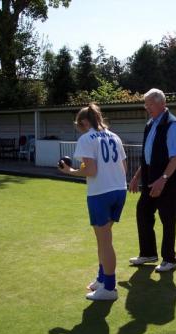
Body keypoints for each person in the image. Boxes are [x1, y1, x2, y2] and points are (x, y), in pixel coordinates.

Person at [58, 103, 127, 301]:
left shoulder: (86, 138)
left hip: (100, 193)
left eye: (80, 125)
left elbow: (91, 170)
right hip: (118, 190)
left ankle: (110, 288)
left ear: (85, 122)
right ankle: (102, 278)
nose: (80, 129)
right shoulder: (114, 136)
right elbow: (123, 165)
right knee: (103, 239)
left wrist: (69, 171)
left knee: (104, 241)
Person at [128, 88, 176, 273]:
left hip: (168, 183)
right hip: (151, 180)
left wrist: (163, 179)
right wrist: (137, 177)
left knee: (168, 220)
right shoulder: (150, 123)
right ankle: (148, 253)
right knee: (143, 211)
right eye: (145, 104)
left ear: (162, 103)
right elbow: (147, 156)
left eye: (149, 104)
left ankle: (170, 259)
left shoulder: (173, 125)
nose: (147, 107)